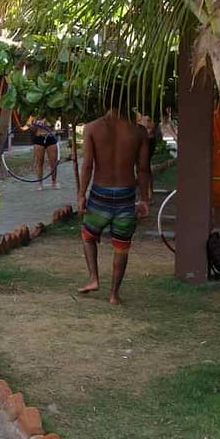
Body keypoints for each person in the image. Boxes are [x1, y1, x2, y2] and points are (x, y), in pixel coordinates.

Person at [77, 103, 151, 305]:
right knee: (121, 246)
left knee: (88, 235)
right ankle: (114, 295)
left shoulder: (93, 128)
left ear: (106, 101)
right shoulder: (139, 132)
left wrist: (81, 194)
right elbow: (143, 169)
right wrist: (144, 199)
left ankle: (93, 278)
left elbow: (88, 165)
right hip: (126, 194)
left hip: (100, 193)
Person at [29, 116, 60, 190]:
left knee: (53, 162)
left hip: (50, 137)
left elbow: (55, 124)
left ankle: (54, 182)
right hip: (39, 137)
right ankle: (40, 183)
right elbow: (32, 129)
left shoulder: (51, 113)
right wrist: (32, 125)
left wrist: (45, 121)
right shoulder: (34, 115)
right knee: (39, 162)